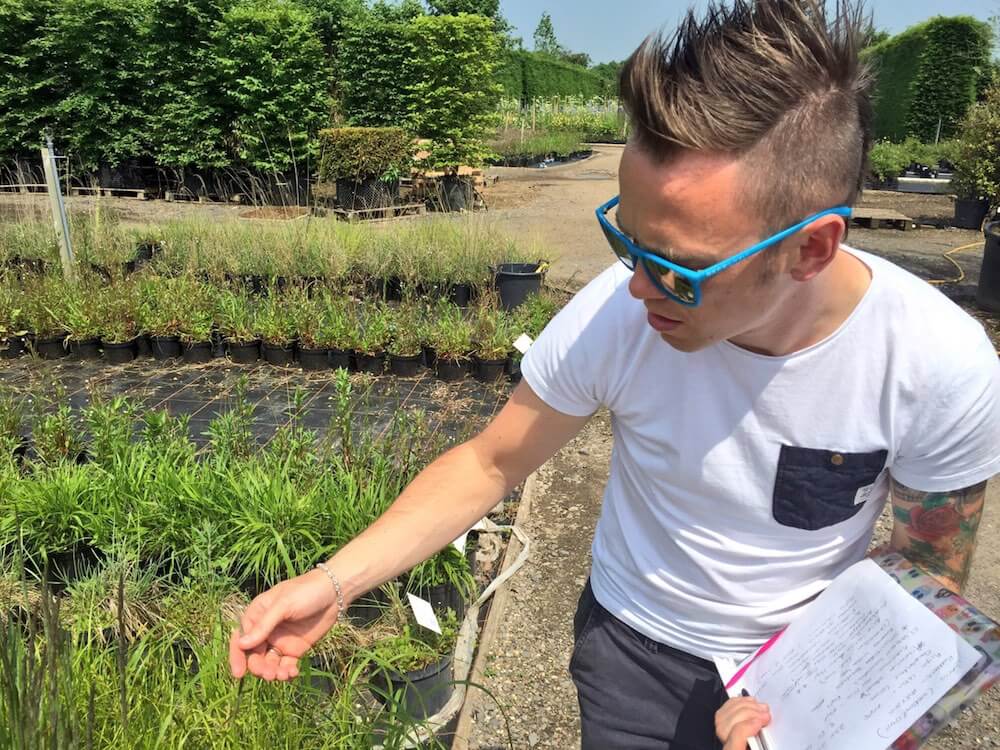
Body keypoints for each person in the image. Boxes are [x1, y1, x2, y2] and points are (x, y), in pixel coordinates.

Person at [228, 1, 1000, 747]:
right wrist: (332, 583)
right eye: (629, 242)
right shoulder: (618, 314)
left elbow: (927, 579)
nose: (639, 286)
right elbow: (491, 461)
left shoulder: (937, 364)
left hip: (803, 670)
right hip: (630, 650)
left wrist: (818, 715)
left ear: (811, 250)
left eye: (681, 269)